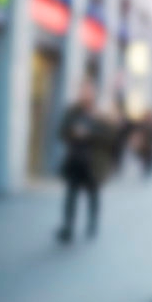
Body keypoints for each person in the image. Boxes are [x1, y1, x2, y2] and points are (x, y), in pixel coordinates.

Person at [55, 80, 114, 243]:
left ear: (94, 93)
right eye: (82, 90)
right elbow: (61, 133)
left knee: (93, 195)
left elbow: (110, 137)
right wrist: (74, 134)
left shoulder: (100, 113)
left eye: (88, 90)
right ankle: (68, 227)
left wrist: (89, 134)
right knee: (70, 195)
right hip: (75, 160)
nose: (85, 94)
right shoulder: (72, 111)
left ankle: (92, 223)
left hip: (93, 161)